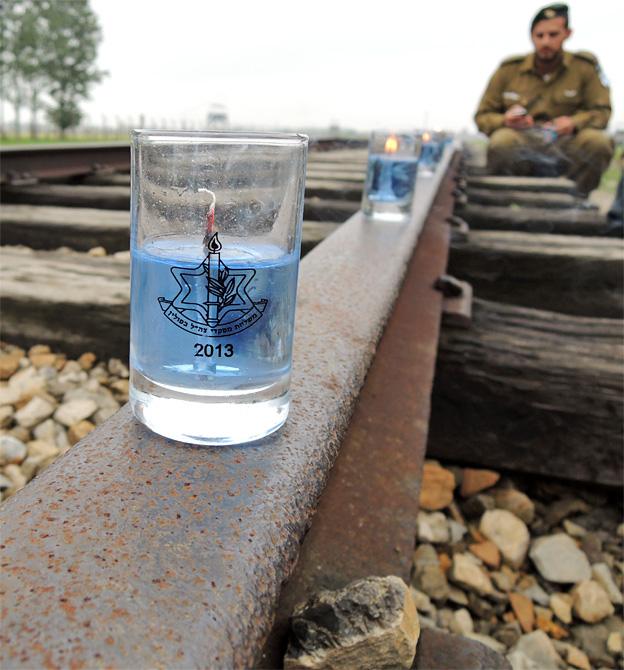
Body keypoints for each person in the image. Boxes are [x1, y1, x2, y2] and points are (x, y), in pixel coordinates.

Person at [474, 3, 613, 197]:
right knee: (501, 141)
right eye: (539, 35)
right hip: (524, 138)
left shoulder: (585, 68)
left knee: (598, 142)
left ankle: (573, 199)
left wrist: (573, 123)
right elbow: (482, 115)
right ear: (531, 36)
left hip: (565, 141)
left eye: (553, 35)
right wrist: (506, 121)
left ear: (567, 33)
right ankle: (511, 198)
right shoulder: (509, 69)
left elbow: (602, 112)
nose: (545, 42)